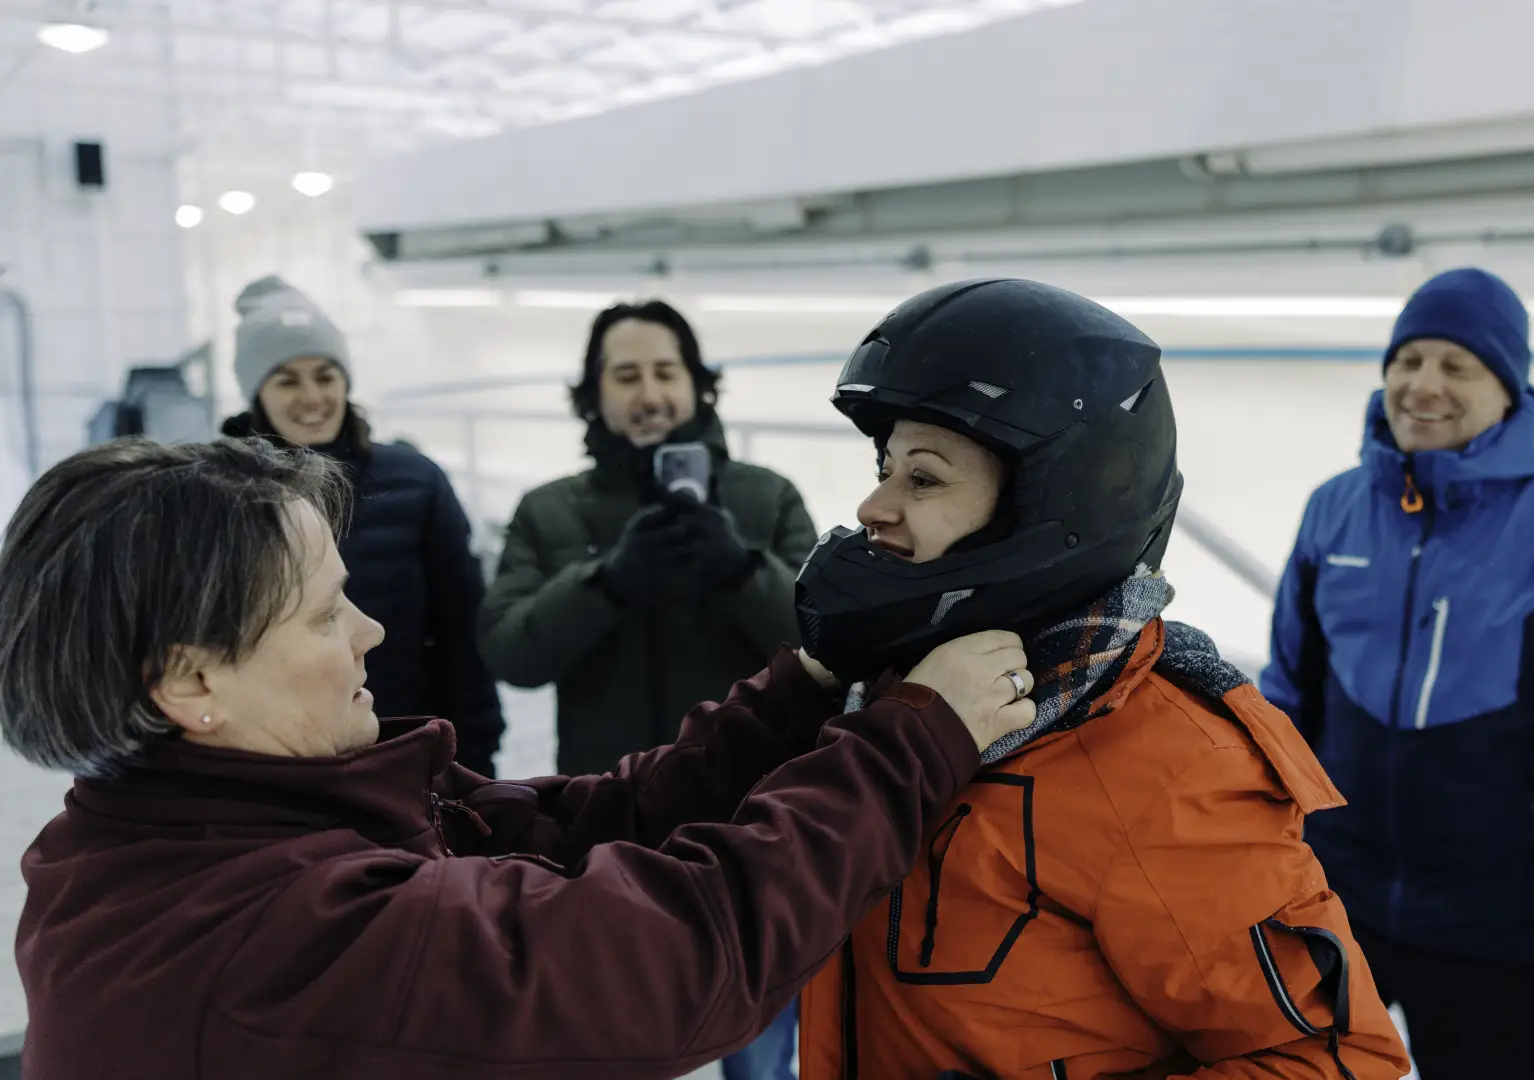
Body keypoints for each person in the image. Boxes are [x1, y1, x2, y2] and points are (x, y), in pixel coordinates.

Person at [0, 436, 1042, 1080]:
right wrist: (917, 736)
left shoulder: (208, 821)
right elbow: (681, 953)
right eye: (322, 616)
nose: (369, 633)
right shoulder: (264, 936)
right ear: (189, 684)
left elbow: (578, 827)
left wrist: (807, 685)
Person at [790, 278, 1411, 1080]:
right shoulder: (888, 703)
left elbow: (1331, 1062)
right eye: (885, 467)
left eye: (923, 478)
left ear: (1046, 514)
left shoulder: (1169, 769)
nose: (873, 506)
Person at [1259, 267, 1534, 1080]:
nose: (1422, 385)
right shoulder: (1335, 511)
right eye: (1407, 360)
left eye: (1456, 366)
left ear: (1508, 389)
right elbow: (1284, 707)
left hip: (1497, 936)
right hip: (1327, 906)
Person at [481, 300, 818, 775]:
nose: (650, 394)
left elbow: (823, 644)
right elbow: (510, 654)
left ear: (697, 385)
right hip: (605, 798)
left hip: (748, 792)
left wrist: (745, 572)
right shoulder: (547, 509)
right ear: (594, 393)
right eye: (626, 376)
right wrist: (605, 585)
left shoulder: (769, 496)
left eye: (666, 372)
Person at [219, 274, 505, 775]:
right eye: (287, 379)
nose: (312, 396)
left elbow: (463, 625)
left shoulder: (415, 482)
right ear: (256, 393)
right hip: (284, 750)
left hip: (407, 739)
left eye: (325, 376)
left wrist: (475, 746)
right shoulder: (225, 497)